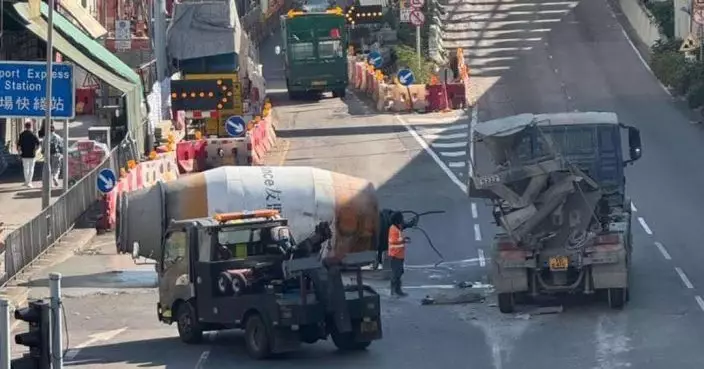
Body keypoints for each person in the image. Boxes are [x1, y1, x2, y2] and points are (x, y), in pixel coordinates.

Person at [388, 211, 410, 297]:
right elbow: (393, 241)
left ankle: (398, 290)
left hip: (399, 255)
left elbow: (398, 238)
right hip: (395, 255)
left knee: (399, 273)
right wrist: (403, 240)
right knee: (396, 274)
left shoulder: (397, 228)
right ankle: (394, 291)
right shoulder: (393, 229)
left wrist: (404, 238)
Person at [16, 121, 40, 187]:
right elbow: (38, 144)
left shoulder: (22, 134)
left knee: (25, 168)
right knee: (31, 168)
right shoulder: (33, 134)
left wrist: (19, 153)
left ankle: (26, 182)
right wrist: (35, 150)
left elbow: (19, 145)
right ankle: (29, 182)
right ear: (30, 126)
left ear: (25, 126)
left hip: (24, 154)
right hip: (32, 154)